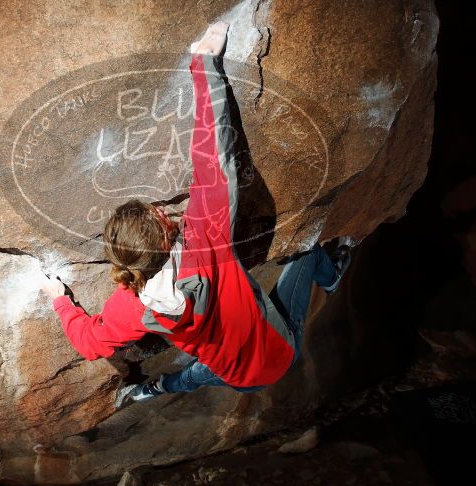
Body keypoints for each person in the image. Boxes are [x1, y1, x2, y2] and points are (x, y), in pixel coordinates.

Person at [40, 22, 351, 407]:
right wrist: (204, 62)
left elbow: (89, 343)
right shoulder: (205, 240)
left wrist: (59, 299)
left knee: (198, 373)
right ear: (165, 226)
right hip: (278, 354)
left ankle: (149, 390)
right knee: (306, 250)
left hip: (236, 376)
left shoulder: (131, 306)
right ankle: (333, 276)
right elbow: (214, 156)